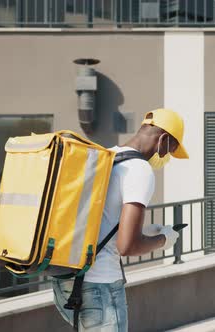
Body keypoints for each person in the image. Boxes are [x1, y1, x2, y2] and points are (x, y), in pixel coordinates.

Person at [52, 108, 189, 331]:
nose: (166, 158)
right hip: (100, 286)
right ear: (163, 140)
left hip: (67, 280)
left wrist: (147, 232)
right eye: (170, 151)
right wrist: (165, 240)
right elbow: (127, 246)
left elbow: (103, 218)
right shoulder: (140, 170)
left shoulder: (107, 156)